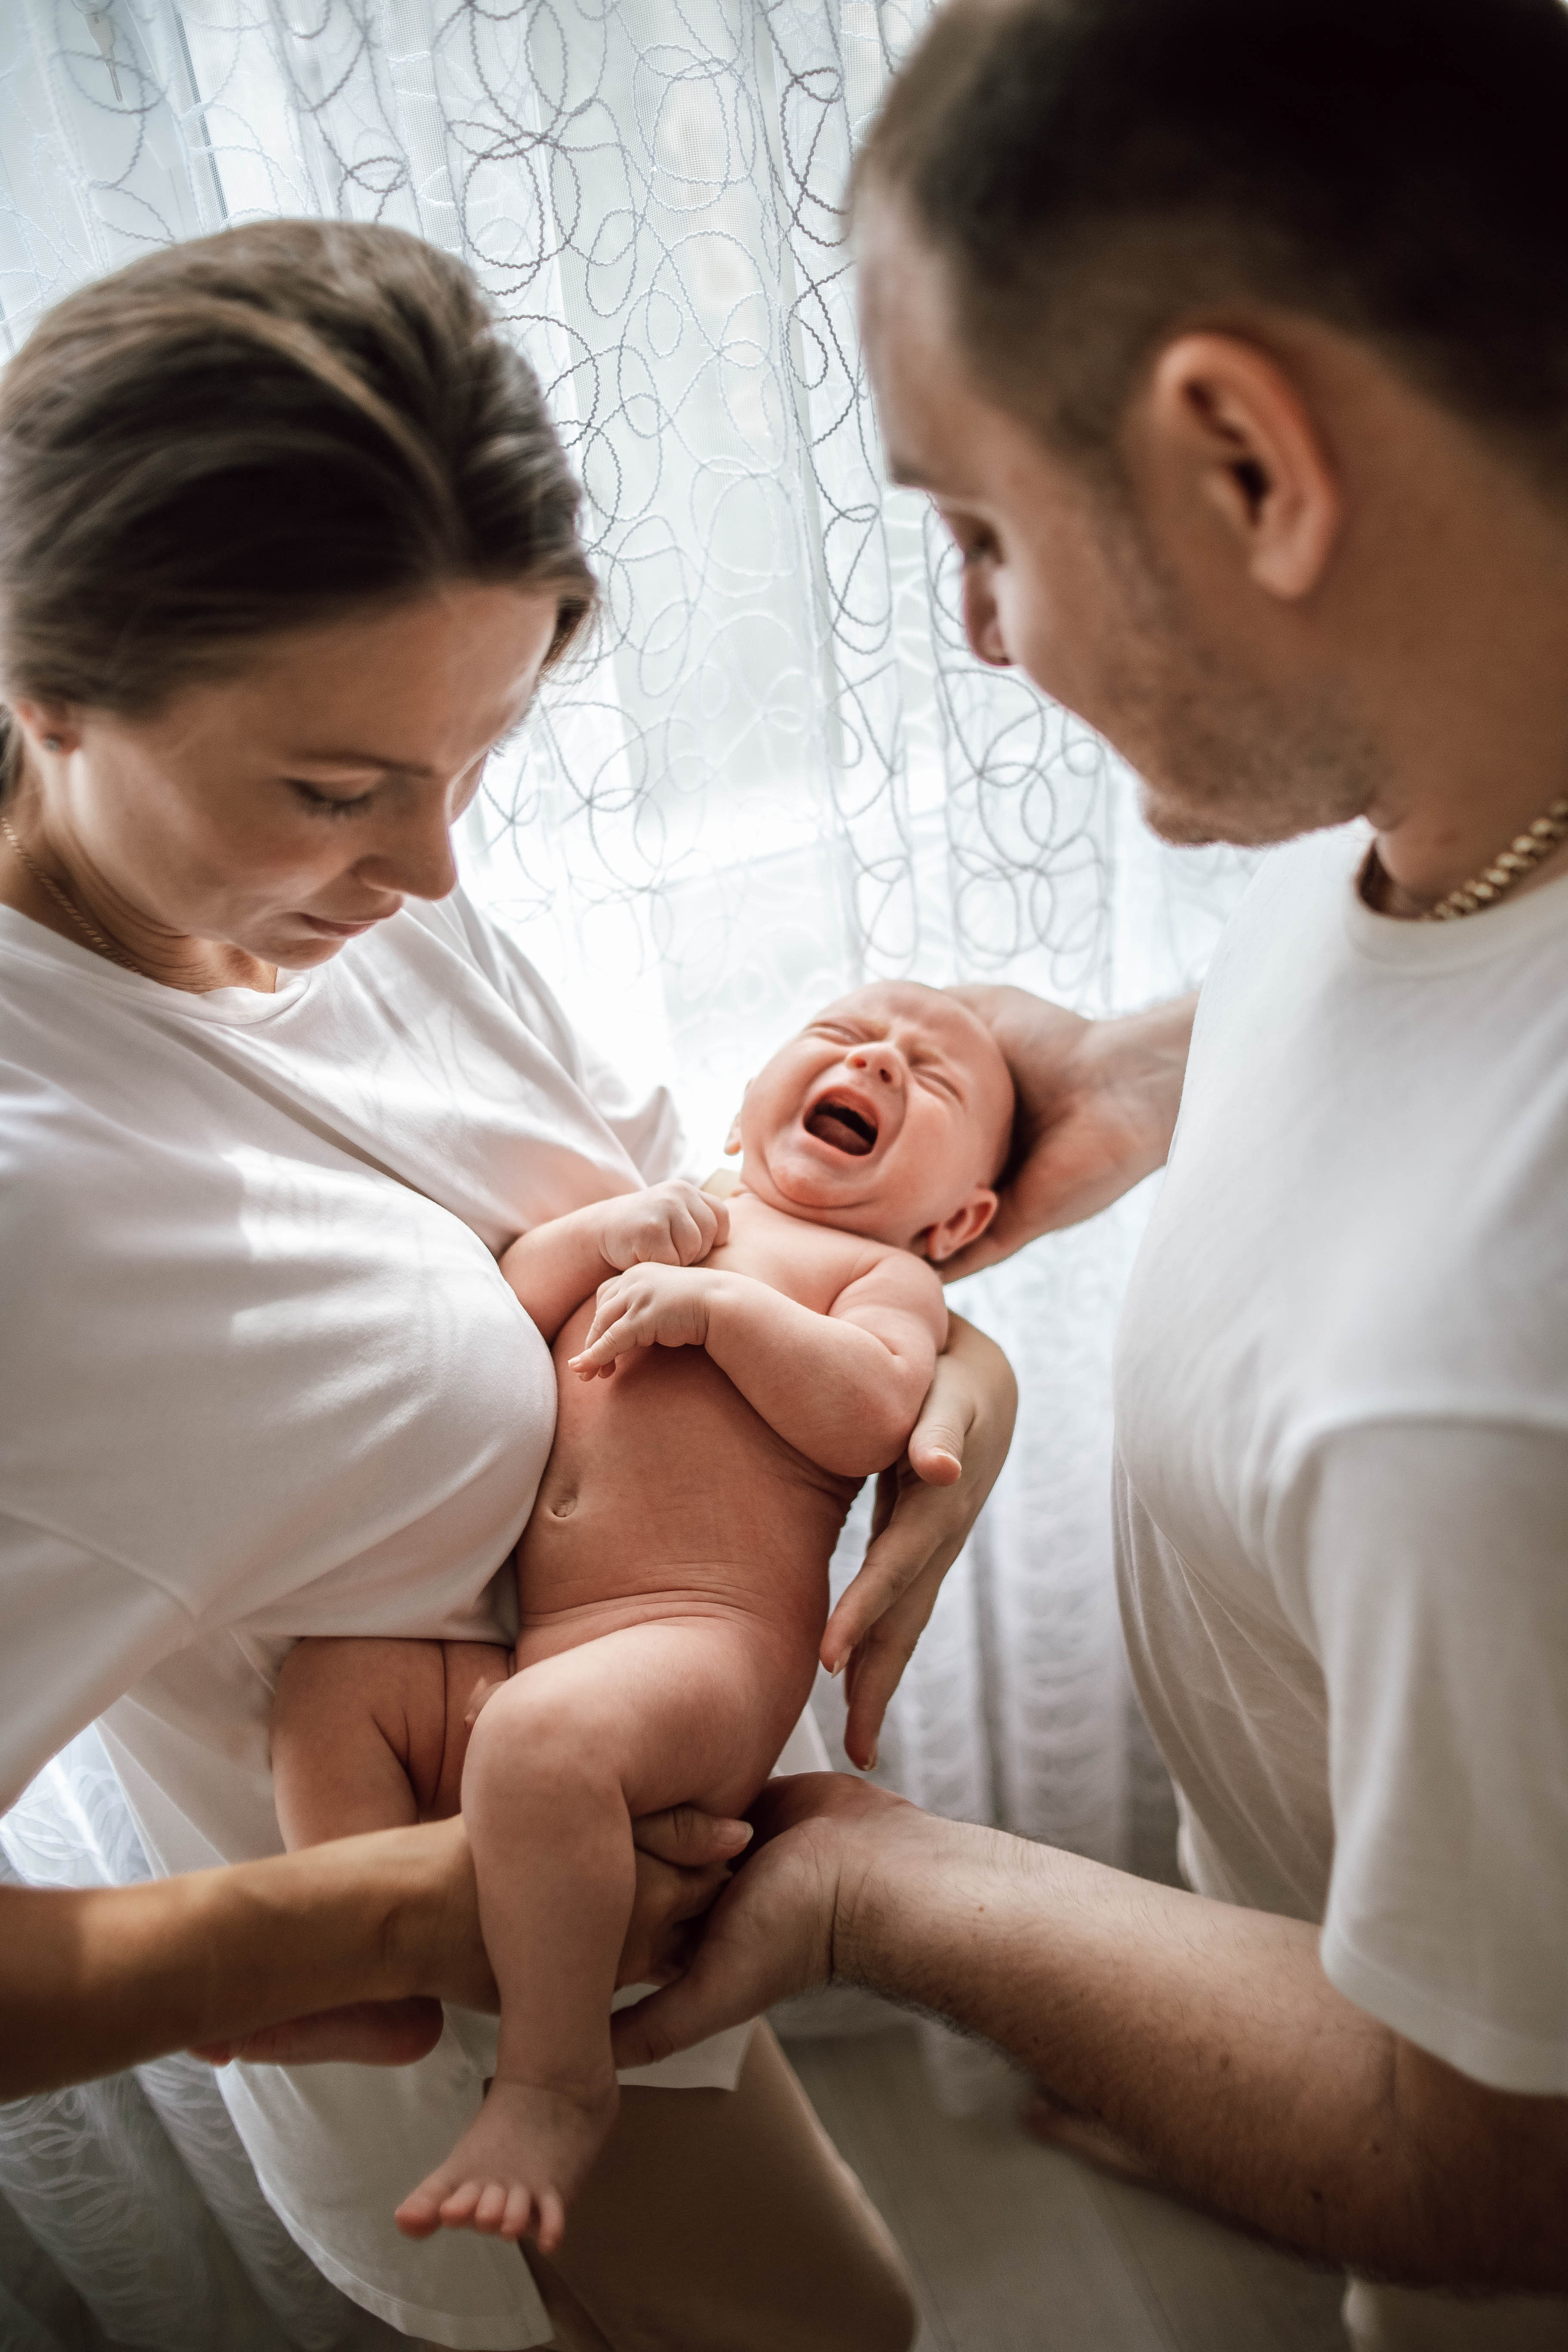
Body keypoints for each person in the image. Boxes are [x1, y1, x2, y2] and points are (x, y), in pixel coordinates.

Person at [608, 2, 1568, 2346]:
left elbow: (1493, 2150)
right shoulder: (1469, 787)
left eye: (979, 528)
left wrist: (889, 1899)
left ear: (1249, 464)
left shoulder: (1489, 1366)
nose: (974, 628)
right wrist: (1153, 1072)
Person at [0, 217, 1020, 2352]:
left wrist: (951, 1409)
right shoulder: (41, 1203)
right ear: (46, 684)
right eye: (339, 787)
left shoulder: (347, 900)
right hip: (492, 2034)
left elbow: (712, 1228)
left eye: (476, 762)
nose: (436, 869)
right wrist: (375, 1906)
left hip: (641, 1905)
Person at [269, 982, 1017, 2249]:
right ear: (740, 1108)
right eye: (842, 1038)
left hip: (701, 1650)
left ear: (960, 1216)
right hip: (548, 1650)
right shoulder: (676, 1209)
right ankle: (355, 1955)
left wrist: (723, 1312)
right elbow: (512, 1300)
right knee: (332, 1681)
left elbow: (870, 1411)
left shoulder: (880, 1277)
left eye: (930, 1079)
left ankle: (557, 2081)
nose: (879, 1061)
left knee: (541, 1744)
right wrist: (606, 1233)